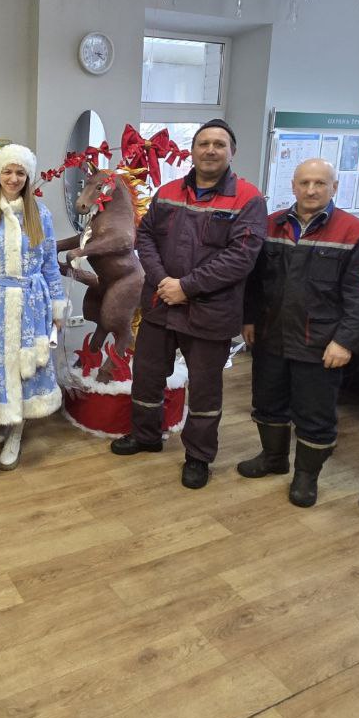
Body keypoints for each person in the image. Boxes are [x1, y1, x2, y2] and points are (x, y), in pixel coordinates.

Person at [113, 118, 267, 490]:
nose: (210, 150)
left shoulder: (249, 199)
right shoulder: (167, 192)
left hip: (210, 312)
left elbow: (240, 257)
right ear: (193, 150)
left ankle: (198, 456)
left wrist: (186, 287)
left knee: (204, 389)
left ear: (232, 152)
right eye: (203, 143)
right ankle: (146, 436)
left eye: (219, 144)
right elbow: (145, 237)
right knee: (147, 376)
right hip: (160, 305)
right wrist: (163, 281)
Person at [239, 158, 359, 507]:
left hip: (320, 343)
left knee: (315, 415)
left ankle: (306, 476)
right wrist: (249, 319)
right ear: (293, 186)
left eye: (320, 183)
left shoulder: (353, 231)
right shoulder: (270, 224)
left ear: (334, 187)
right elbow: (254, 281)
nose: (311, 190)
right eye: (304, 183)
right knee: (267, 402)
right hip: (270, 335)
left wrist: (345, 341)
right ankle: (273, 459)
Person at [0, 144, 66, 470]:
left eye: (20, 172)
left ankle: (17, 430)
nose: (13, 178)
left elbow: (50, 264)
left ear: (28, 176)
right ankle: (6, 418)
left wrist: (58, 308)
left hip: (30, 303)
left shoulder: (40, 214)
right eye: (8, 171)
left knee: (24, 367)